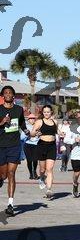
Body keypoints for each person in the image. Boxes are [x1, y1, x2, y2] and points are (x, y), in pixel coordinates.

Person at [0, 86, 30, 215]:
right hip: (1, 145)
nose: (8, 94)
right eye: (5, 93)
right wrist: (2, 122)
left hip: (14, 145)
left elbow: (21, 123)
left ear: (13, 95)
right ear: (2, 96)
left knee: (11, 173)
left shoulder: (18, 109)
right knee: (3, 175)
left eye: (10, 93)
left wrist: (26, 130)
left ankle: (10, 204)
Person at [30, 105, 59, 199]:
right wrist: (36, 133)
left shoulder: (55, 122)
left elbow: (57, 131)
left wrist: (61, 133)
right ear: (42, 113)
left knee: (49, 169)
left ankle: (49, 190)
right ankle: (42, 177)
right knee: (42, 169)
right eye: (45, 112)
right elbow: (32, 133)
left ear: (51, 112)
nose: (46, 113)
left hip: (52, 146)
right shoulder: (39, 122)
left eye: (48, 112)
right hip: (42, 145)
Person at [24, 113, 39, 179]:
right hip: (28, 145)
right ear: (28, 120)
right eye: (31, 118)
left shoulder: (38, 126)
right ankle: (31, 174)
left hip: (36, 144)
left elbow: (41, 134)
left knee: (35, 160)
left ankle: (34, 172)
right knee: (29, 160)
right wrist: (27, 135)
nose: (32, 120)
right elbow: (21, 137)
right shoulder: (25, 127)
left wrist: (39, 134)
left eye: (33, 118)